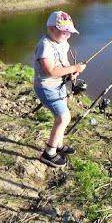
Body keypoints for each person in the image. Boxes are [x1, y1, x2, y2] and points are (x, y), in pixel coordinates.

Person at [33, 11, 86, 167]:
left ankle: (58, 144)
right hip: (46, 87)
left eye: (69, 32)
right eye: (64, 32)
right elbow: (51, 71)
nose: (68, 35)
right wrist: (74, 67)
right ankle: (48, 153)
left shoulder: (64, 43)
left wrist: (71, 72)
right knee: (64, 118)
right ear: (51, 29)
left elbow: (62, 64)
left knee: (62, 116)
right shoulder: (45, 46)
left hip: (59, 85)